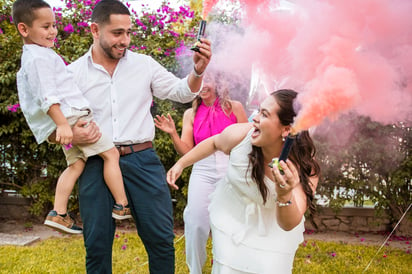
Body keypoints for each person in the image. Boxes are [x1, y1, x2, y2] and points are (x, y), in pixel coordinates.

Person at [64, 0, 212, 273]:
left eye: (129, 32)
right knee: (96, 245)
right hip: (96, 162)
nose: (125, 40)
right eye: (117, 33)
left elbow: (181, 92)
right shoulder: (72, 74)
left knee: (161, 240)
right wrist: (73, 133)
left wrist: (198, 71)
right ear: (95, 30)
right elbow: (53, 126)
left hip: (142, 161)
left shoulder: (144, 65)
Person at [167, 89, 321, 273]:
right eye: (259, 110)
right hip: (231, 218)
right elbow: (214, 142)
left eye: (264, 114)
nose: (255, 118)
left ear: (287, 130)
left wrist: (284, 193)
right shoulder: (242, 135)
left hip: (273, 235)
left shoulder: (304, 169)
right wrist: (181, 164)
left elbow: (288, 223)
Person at [12, 0, 132, 235]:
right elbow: (48, 95)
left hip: (67, 119)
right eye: (45, 27)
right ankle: (122, 205)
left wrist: (61, 125)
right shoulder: (38, 58)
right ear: (24, 29)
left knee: (76, 165)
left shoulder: (37, 55)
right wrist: (62, 124)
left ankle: (59, 212)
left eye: (54, 25)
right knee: (111, 154)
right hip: (72, 116)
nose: (53, 31)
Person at [154, 72, 248, 273]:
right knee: (195, 222)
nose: (204, 86)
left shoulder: (235, 107)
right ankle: (195, 270)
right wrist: (172, 133)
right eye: (201, 81)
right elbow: (188, 151)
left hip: (231, 166)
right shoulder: (191, 113)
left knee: (231, 224)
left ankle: (228, 268)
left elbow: (247, 142)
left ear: (219, 83)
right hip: (202, 168)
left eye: (209, 81)